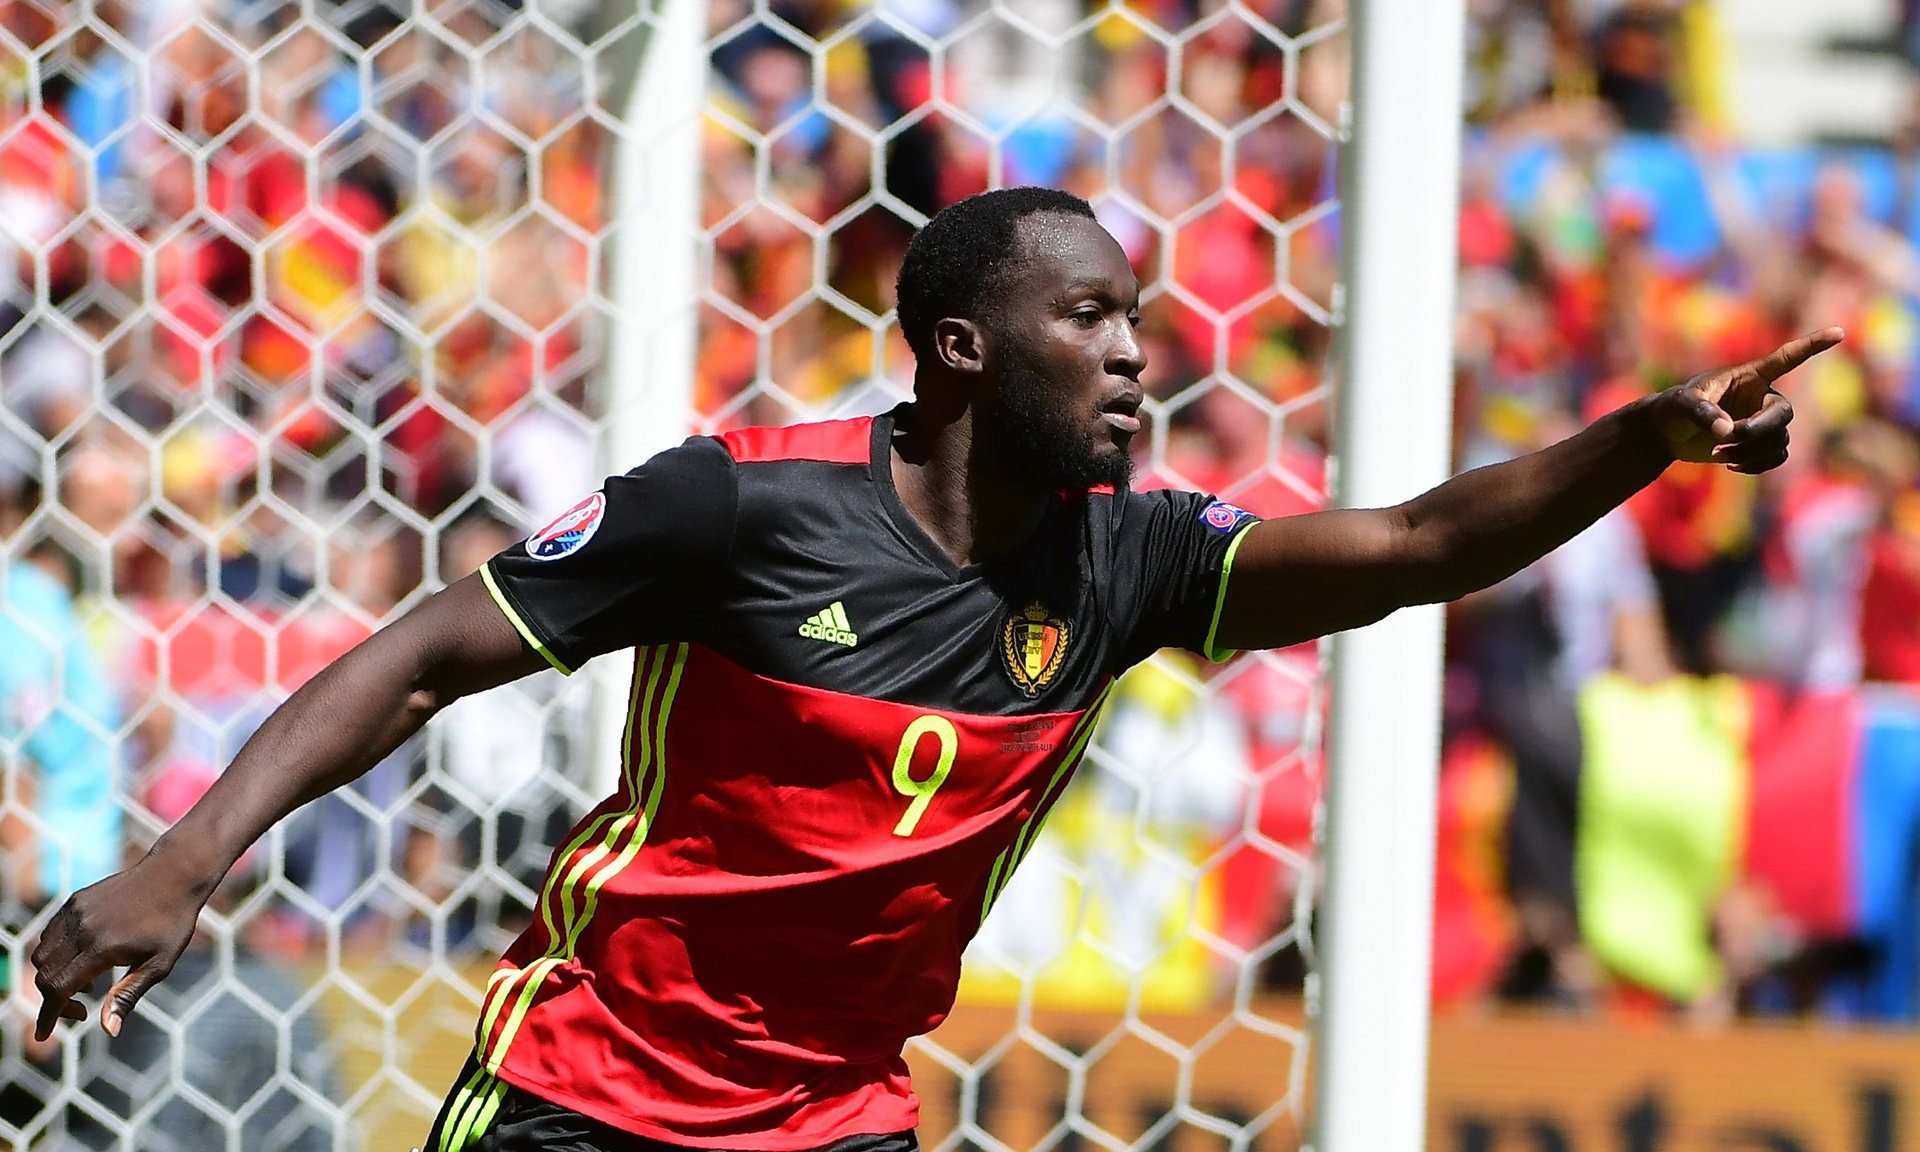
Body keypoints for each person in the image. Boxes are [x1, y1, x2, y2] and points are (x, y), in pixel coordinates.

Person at [27, 187, 1835, 1152]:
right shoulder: (739, 512)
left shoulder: (1127, 565)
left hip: (837, 1121)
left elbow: (1424, 546)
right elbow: (428, 655)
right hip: (584, 1097)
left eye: (1138, 315)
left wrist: (1646, 438)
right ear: (965, 349)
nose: (1138, 354)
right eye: (1093, 320)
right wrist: (190, 856)